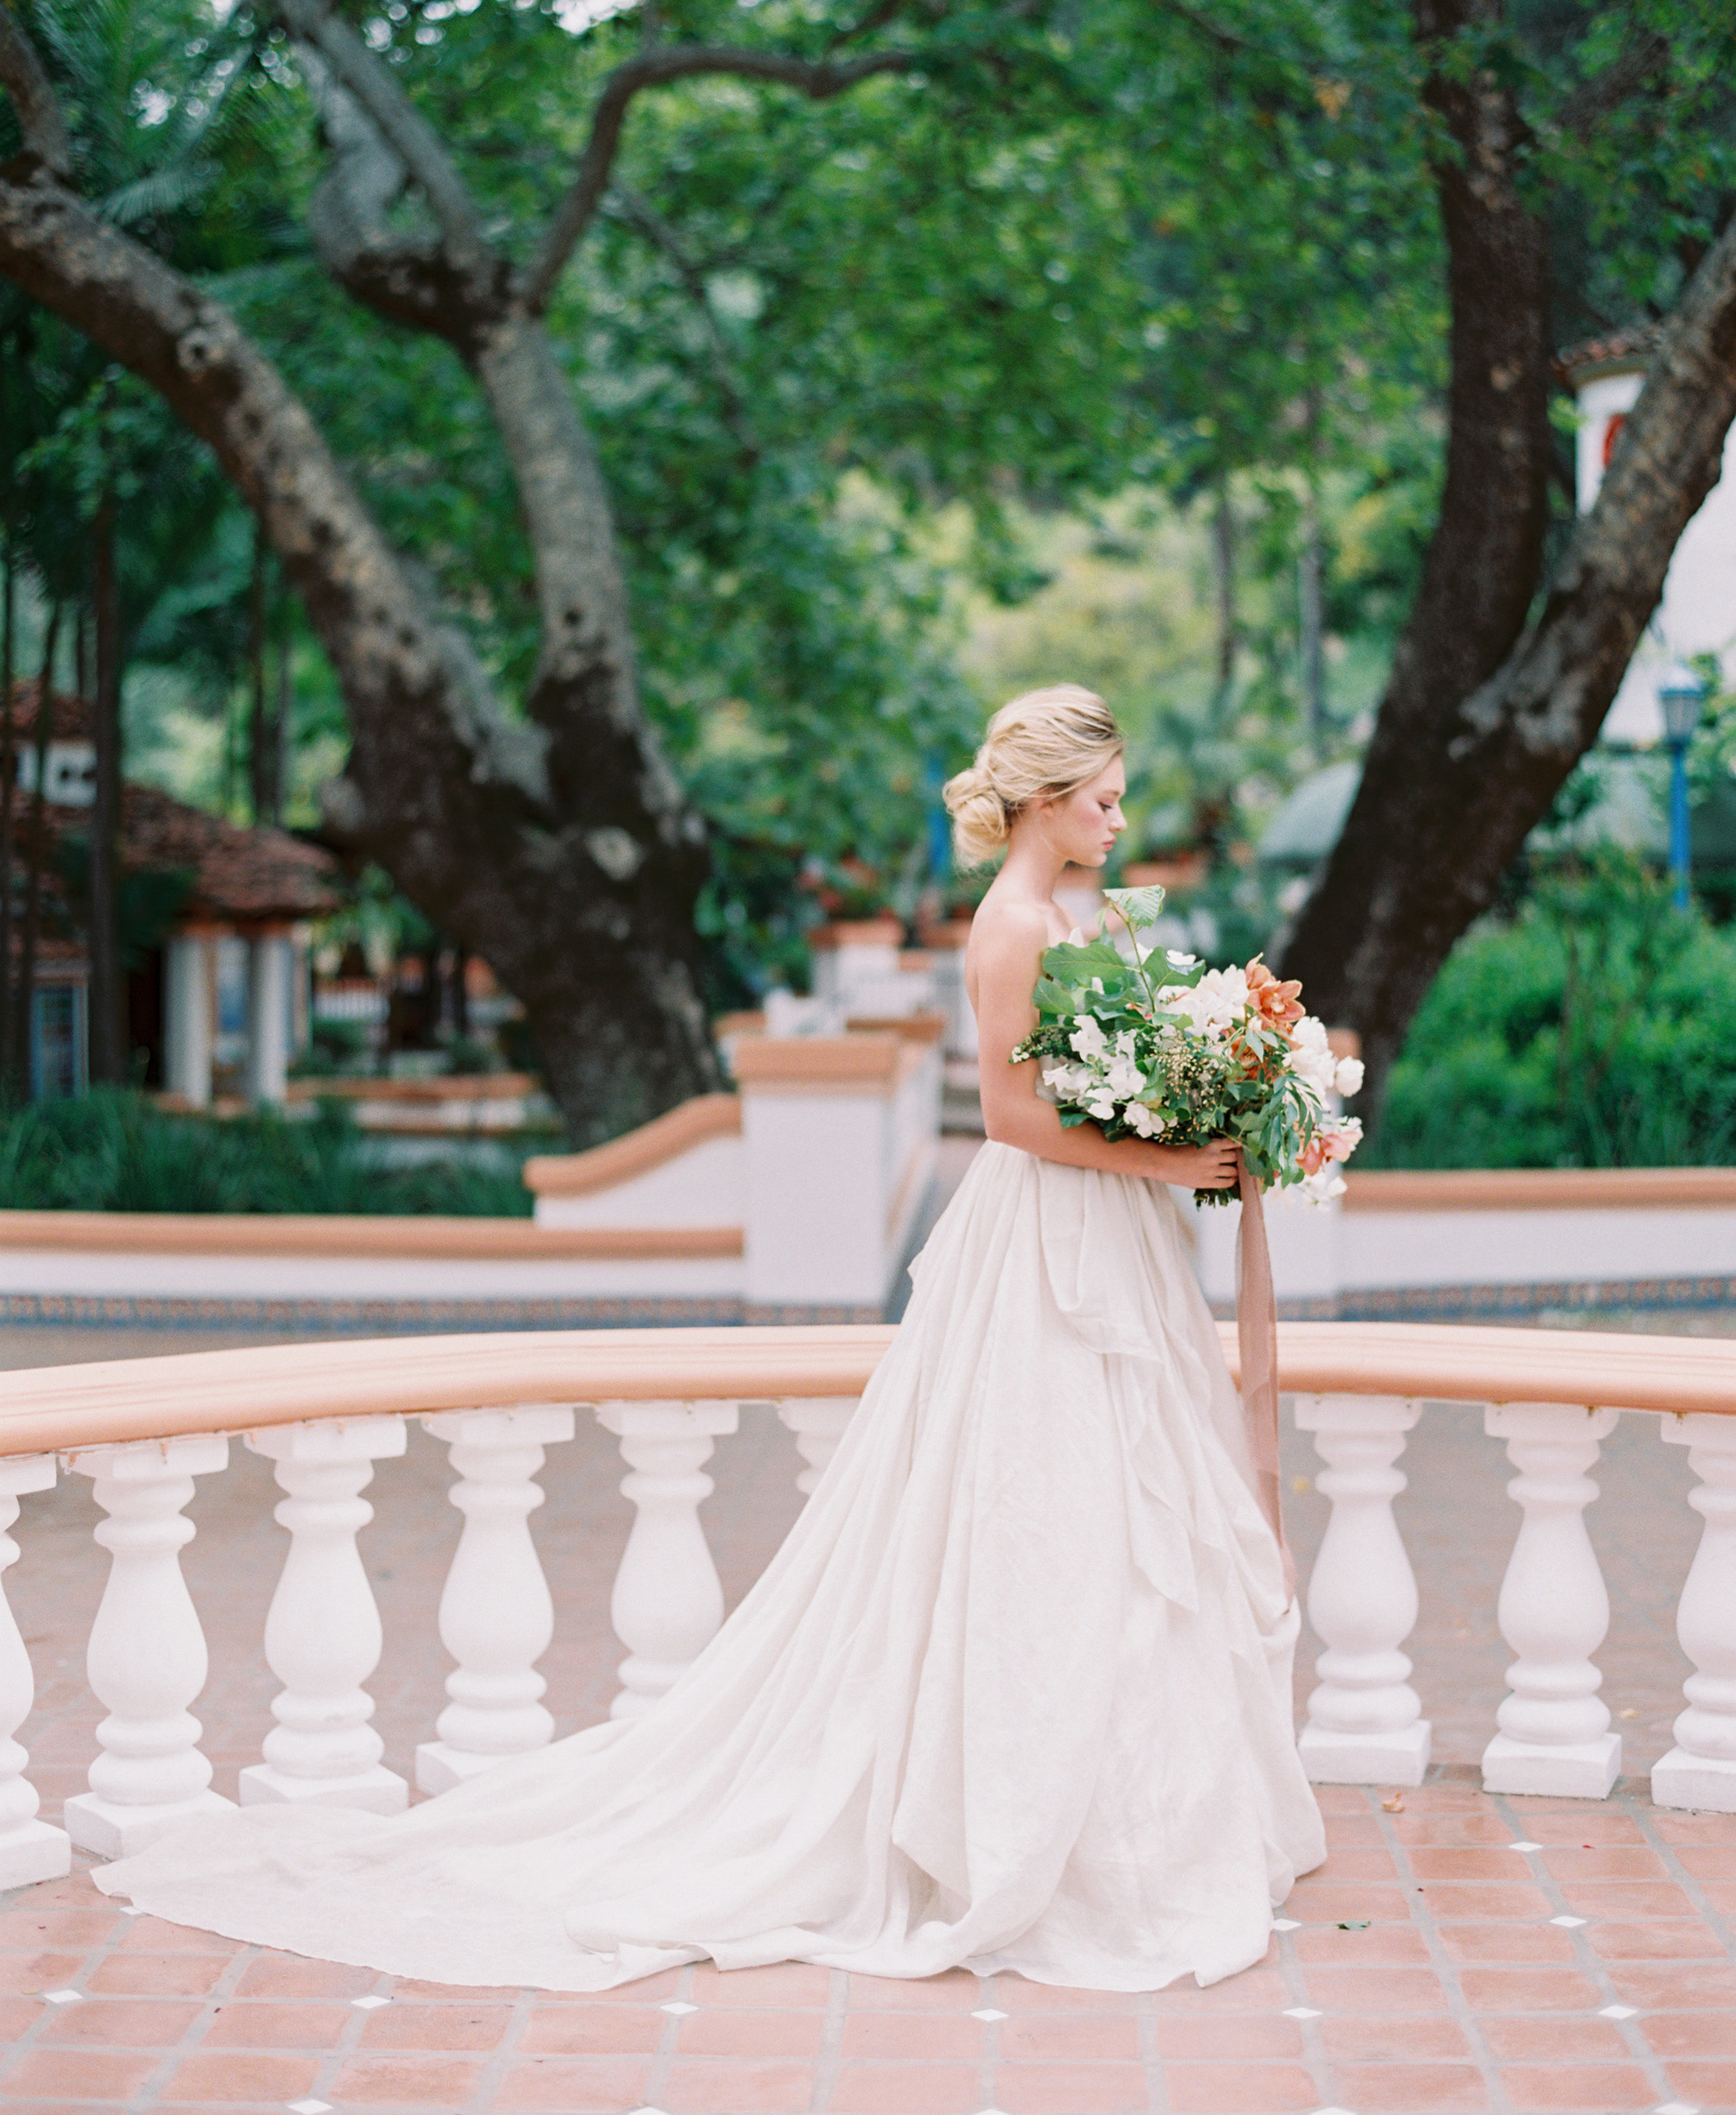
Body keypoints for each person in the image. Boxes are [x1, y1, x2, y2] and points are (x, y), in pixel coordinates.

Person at [96, 682, 1324, 1992]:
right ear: (1043, 795)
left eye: (1119, 794)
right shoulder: (1017, 923)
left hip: (1098, 1238)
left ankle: (1128, 1812)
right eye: (1102, 796)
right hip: (1050, 1239)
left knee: (1111, 1513)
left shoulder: (1070, 914)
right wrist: (1162, 1150)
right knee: (1048, 1501)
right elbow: (1016, 1117)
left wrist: (1182, 1116)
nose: (1119, 816)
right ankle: (1029, 1822)